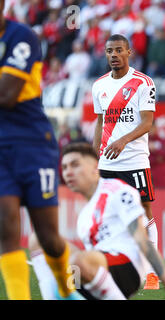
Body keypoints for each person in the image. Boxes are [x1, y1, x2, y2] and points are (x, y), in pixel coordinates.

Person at [29, 142, 165, 300]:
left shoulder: (118, 191)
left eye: (75, 165)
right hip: (100, 273)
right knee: (39, 239)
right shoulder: (84, 216)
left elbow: (141, 237)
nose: (68, 172)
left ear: (95, 167)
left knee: (77, 262)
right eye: (64, 167)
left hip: (128, 267)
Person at [0, 0, 81, 300]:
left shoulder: (21, 36)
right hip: (1, 146)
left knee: (47, 236)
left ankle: (66, 290)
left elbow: (7, 94)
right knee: (6, 225)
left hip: (32, 142)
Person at [92, 34, 159, 289]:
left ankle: (152, 273)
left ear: (129, 52)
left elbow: (147, 122)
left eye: (119, 50)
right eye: (110, 51)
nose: (114, 55)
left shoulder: (143, 82)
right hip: (107, 164)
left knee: (144, 213)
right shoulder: (99, 85)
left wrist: (123, 141)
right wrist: (93, 156)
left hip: (135, 161)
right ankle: (113, 268)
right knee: (108, 217)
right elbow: (101, 122)